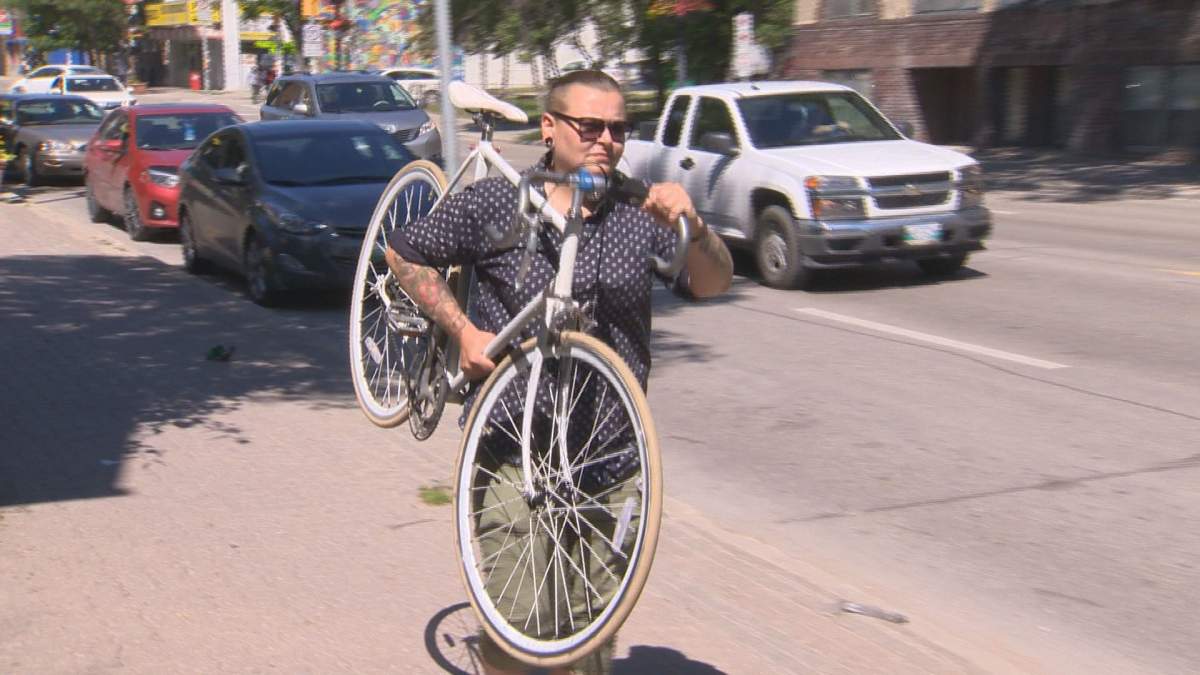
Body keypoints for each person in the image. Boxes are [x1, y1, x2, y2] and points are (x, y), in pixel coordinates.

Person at [385, 70, 733, 675]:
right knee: (517, 633)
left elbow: (712, 282)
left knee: (587, 643)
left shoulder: (637, 211)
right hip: (509, 454)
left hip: (611, 460)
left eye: (619, 129)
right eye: (590, 126)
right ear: (550, 128)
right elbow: (403, 253)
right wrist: (463, 331)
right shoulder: (500, 204)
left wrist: (694, 226)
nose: (606, 140)